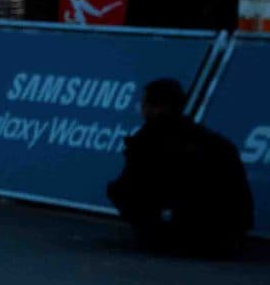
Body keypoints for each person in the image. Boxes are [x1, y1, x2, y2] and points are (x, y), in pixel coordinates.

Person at [107, 76, 254, 256]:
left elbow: (133, 185)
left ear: (156, 107)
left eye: (144, 103)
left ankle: (160, 235)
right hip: (228, 234)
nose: (141, 108)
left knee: (119, 190)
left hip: (186, 232)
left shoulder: (149, 141)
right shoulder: (213, 140)